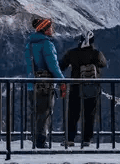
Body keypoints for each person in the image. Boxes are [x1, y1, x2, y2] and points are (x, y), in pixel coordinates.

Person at [59, 30, 107, 148]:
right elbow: (103, 64)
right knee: (89, 113)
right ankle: (87, 139)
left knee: (73, 113)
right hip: (91, 87)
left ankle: (70, 139)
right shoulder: (96, 53)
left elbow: (61, 65)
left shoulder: (72, 53)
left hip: (75, 86)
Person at [24, 17, 65, 149]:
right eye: (50, 28)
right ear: (45, 29)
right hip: (44, 85)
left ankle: (36, 139)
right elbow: (53, 66)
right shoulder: (47, 44)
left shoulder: (29, 44)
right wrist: (62, 81)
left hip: (32, 84)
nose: (52, 30)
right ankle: (41, 141)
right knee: (44, 113)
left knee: (35, 112)